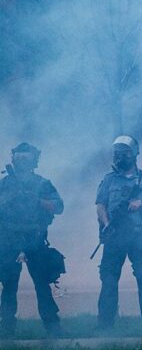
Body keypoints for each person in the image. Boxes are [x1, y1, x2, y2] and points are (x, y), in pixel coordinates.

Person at [95, 135, 142, 332]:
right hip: (115, 236)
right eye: (117, 154)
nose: (120, 157)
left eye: (124, 153)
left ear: (134, 155)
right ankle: (105, 326)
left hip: (140, 236)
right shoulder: (108, 180)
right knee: (108, 279)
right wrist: (106, 222)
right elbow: (100, 205)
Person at [0, 143, 64, 337]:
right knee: (9, 286)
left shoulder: (42, 183)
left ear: (33, 160)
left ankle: (53, 328)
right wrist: (11, 197)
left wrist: (36, 200)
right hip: (9, 240)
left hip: (35, 239)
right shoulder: (4, 184)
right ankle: (6, 328)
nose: (22, 161)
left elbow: (58, 207)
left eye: (25, 158)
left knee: (42, 284)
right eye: (19, 158)